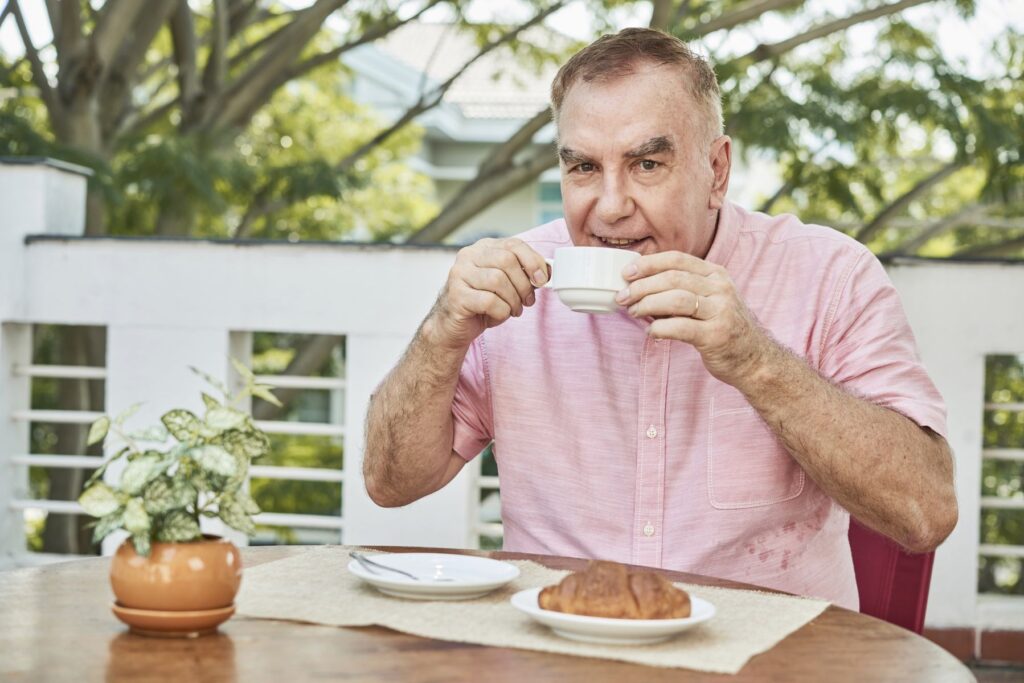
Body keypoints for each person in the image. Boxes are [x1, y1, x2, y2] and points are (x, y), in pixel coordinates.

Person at [363, 27, 958, 609]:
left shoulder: (830, 274)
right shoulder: (515, 282)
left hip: (772, 661)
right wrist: (441, 331)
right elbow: (391, 483)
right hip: (558, 652)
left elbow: (925, 512)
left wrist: (755, 361)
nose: (611, 207)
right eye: (584, 168)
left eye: (647, 165)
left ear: (716, 172)